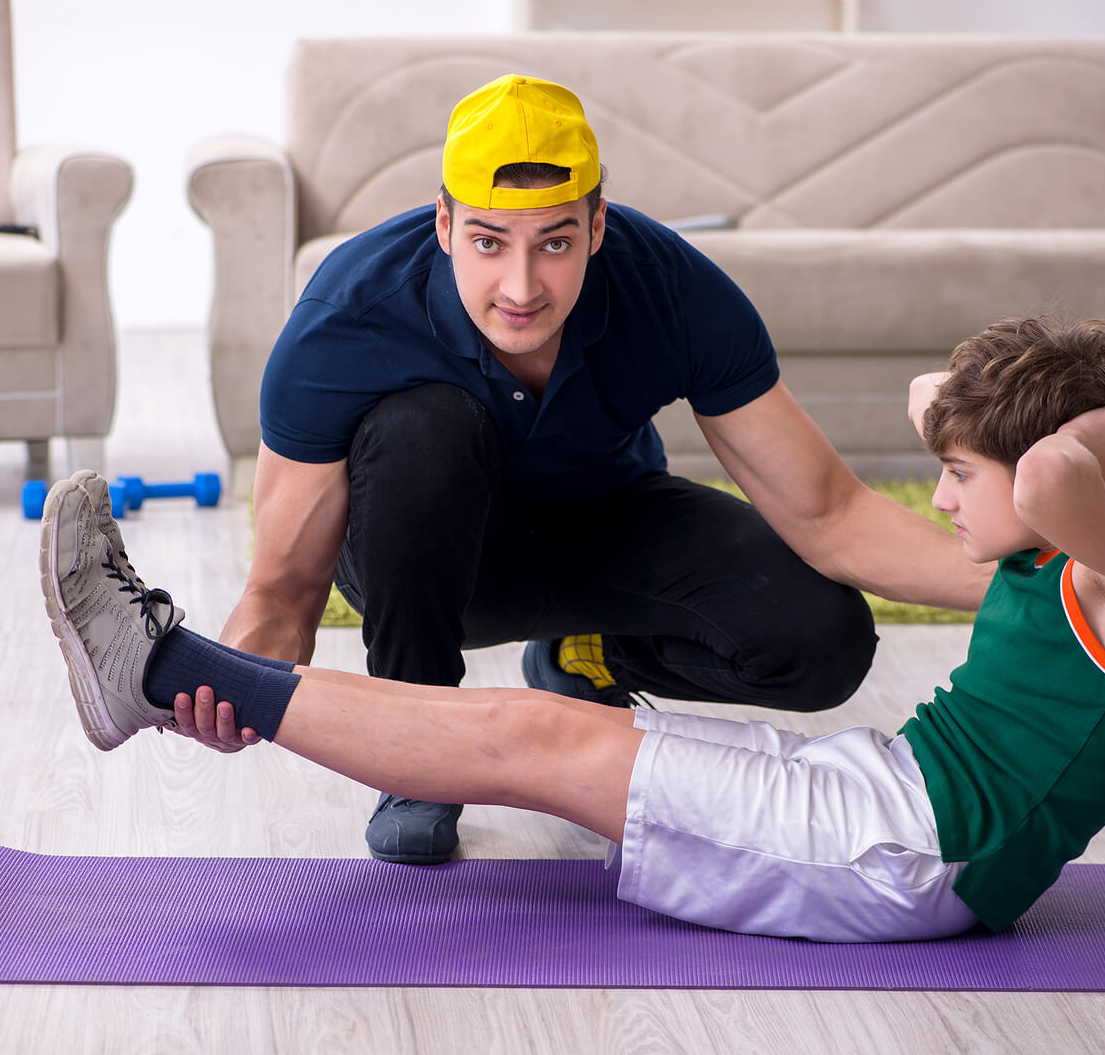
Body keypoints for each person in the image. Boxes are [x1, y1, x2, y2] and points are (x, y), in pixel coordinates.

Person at [38, 316, 1105, 941]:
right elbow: (960, 422)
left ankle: (158, 663)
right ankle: (175, 671)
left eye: (958, 475)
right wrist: (1021, 413)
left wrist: (1089, 435)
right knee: (544, 725)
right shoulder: (1068, 536)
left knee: (530, 742)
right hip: (884, 799)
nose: (942, 499)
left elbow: (1047, 475)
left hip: (906, 860)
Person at [207, 71, 1000, 864]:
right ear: (444, 224)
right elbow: (283, 589)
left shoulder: (671, 287)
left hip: (607, 526)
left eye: (554, 243)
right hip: (424, 559)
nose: (521, 288)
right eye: (489, 242)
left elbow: (830, 514)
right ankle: (419, 757)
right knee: (424, 428)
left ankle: (582, 658)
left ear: (597, 226)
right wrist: (230, 686)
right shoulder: (348, 315)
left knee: (823, 638)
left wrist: (1039, 586)